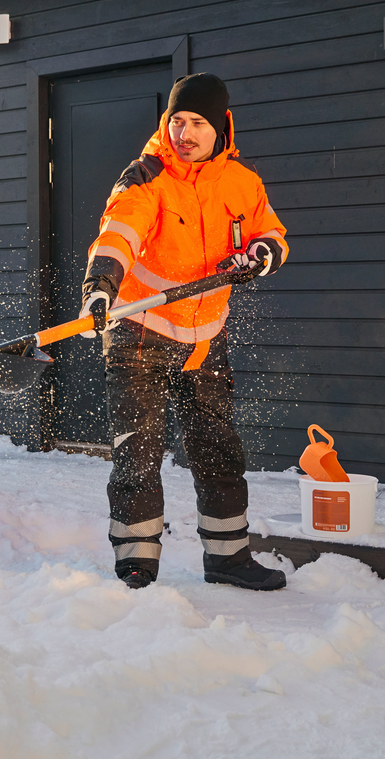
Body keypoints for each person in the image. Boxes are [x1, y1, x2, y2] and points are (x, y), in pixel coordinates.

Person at [79, 72, 288, 591]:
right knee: (139, 452)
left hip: (204, 337)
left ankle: (228, 559)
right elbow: (119, 232)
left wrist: (263, 254)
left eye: (197, 122)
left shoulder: (243, 183)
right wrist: (101, 284)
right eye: (177, 121)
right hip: (140, 333)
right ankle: (136, 564)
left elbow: (271, 232)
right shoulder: (145, 177)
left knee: (218, 448)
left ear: (221, 127)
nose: (185, 133)